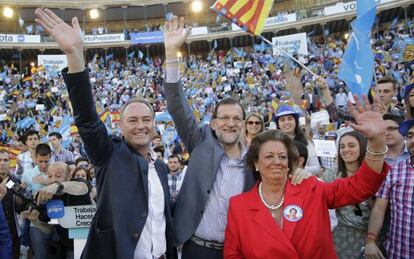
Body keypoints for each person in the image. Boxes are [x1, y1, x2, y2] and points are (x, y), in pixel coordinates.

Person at [163, 16, 310, 258]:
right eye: (224, 118)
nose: (230, 124)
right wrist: (171, 54)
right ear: (213, 123)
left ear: (243, 124)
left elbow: (279, 179)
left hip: (238, 250)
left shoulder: (256, 159)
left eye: (236, 119)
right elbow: (177, 106)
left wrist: (297, 174)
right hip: (195, 248)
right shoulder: (199, 140)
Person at [35, 8, 175, 259]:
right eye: (132, 120)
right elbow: (87, 121)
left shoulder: (162, 168)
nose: (140, 125)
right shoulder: (109, 154)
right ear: (121, 127)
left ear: (154, 124)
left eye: (146, 119)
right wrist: (74, 55)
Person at [224, 95, 389, 258]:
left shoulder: (312, 188)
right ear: (256, 164)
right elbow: (233, 254)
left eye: (282, 157)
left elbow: (359, 187)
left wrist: (377, 142)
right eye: (268, 156)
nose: (277, 162)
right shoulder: (239, 206)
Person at [364, 119, 414, 259]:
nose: (412, 140)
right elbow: (379, 208)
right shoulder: (396, 170)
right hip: (397, 252)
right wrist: (371, 240)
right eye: (410, 136)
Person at [321, 131, 372, 258]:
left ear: (362, 146)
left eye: (351, 145)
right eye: (342, 146)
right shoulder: (331, 174)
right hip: (341, 235)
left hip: (371, 233)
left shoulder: (371, 172)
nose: (346, 150)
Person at [274, 105, 321, 175]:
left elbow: (316, 168)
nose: (286, 122)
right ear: (278, 124)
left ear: (296, 121)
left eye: (290, 119)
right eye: (282, 120)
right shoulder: (273, 143)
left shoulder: (306, 142)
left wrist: (297, 170)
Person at [0, 149, 22, 259]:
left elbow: (20, 208)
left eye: (5, 160)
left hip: (12, 232)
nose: (2, 163)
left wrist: (20, 199)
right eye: (0, 160)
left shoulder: (14, 181)